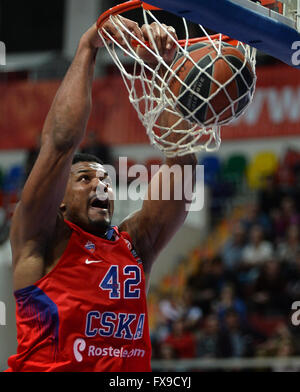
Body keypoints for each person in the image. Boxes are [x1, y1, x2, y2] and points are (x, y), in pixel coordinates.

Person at [6, 19, 196, 372]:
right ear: (58, 201)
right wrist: (89, 46)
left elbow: (182, 168)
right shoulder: (40, 240)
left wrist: (160, 68)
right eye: (84, 178)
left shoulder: (134, 246)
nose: (101, 184)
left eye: (106, 179)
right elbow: (61, 144)